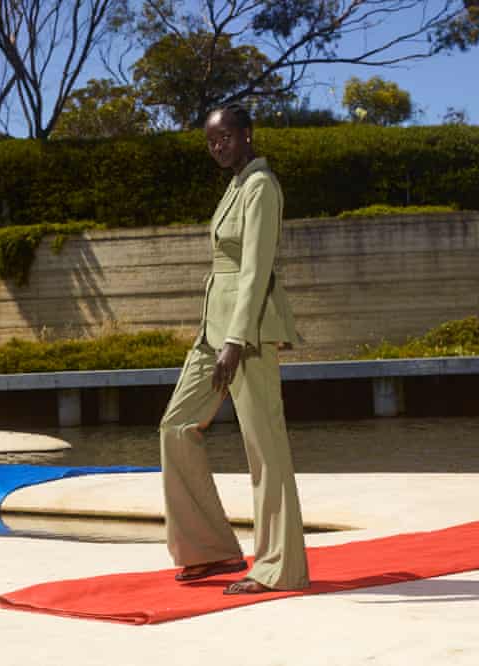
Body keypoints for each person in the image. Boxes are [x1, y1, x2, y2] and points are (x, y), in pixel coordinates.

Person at [159, 104, 310, 595]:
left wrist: (235, 340)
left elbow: (255, 269)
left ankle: (278, 567)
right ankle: (210, 550)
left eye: (225, 136)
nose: (217, 146)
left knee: (265, 446)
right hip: (214, 329)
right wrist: (217, 336)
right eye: (210, 140)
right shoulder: (236, 186)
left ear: (247, 134)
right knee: (176, 426)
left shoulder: (262, 187)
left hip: (246, 333)